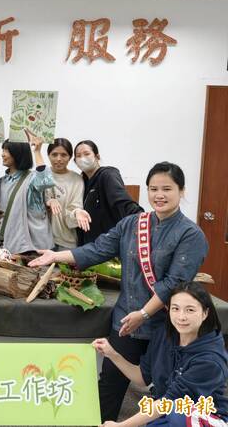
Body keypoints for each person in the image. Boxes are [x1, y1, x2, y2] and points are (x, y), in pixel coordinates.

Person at [29, 162, 208, 422]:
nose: (159, 195)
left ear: (181, 191)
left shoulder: (191, 234)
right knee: (110, 385)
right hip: (127, 321)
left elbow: (174, 284)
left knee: (167, 392)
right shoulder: (132, 224)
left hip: (168, 326)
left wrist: (143, 314)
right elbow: (97, 249)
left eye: (167, 189)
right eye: (153, 189)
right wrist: (56, 255)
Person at [93, 282, 227, 427]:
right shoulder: (163, 334)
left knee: (177, 412)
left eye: (190, 310)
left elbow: (171, 401)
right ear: (168, 309)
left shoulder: (210, 360)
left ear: (205, 313)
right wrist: (112, 354)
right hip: (168, 412)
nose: (181, 317)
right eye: (175, 308)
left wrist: (122, 425)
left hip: (205, 416)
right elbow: (142, 378)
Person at [0, 133, 55, 254]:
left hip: (30, 247)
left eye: (6, 150)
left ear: (18, 153)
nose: (2, 154)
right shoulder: (1, 181)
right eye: (3, 150)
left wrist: (37, 152)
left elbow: (46, 182)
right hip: (3, 244)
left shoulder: (31, 178)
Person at [74, 140, 142, 245]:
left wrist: (141, 220)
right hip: (88, 246)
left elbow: (122, 201)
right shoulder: (81, 182)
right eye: (78, 156)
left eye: (87, 154)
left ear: (97, 157)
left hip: (108, 245)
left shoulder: (107, 175)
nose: (82, 158)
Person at [45, 138, 89, 250]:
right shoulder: (42, 175)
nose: (58, 159)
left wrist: (77, 212)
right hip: (42, 239)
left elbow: (74, 208)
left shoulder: (77, 180)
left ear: (70, 157)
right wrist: (48, 201)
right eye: (54, 154)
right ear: (48, 155)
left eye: (63, 155)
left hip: (66, 240)